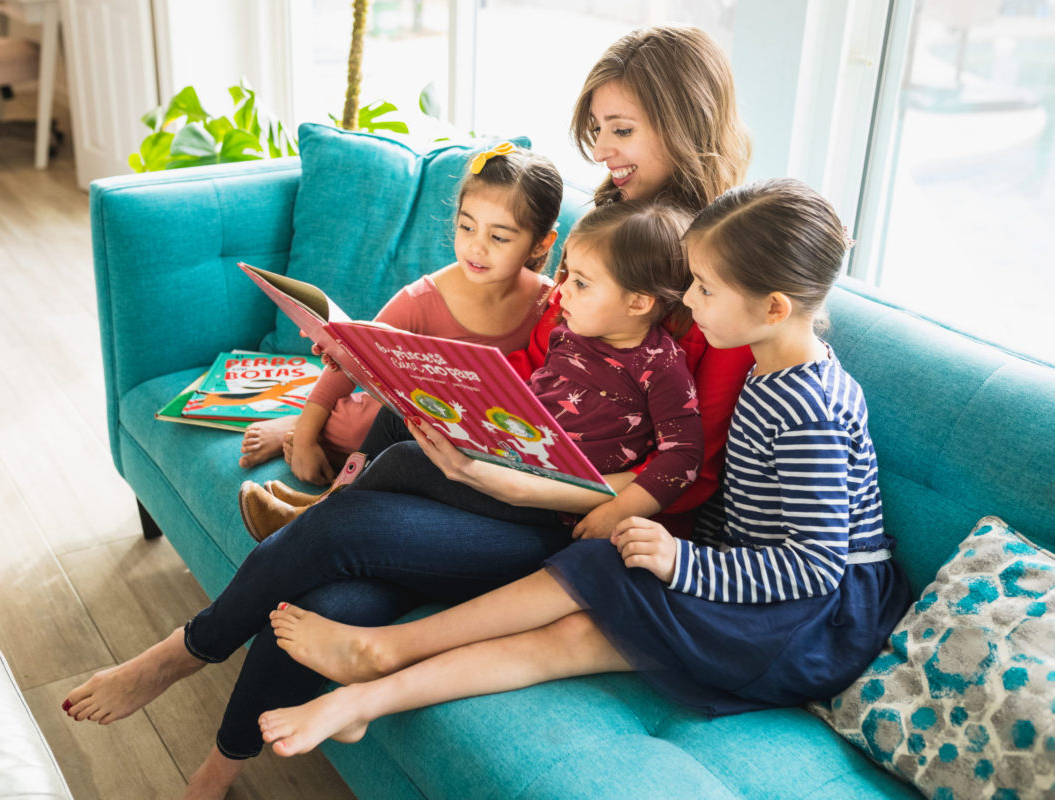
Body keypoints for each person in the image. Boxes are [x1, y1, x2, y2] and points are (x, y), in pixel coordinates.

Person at [62, 25, 756, 800]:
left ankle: (184, 651)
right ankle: (218, 769)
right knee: (332, 597)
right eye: (596, 132)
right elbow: (540, 367)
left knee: (349, 529)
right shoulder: (600, 232)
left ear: (686, 121)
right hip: (510, 471)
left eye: (621, 131)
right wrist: (455, 399)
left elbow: (691, 474)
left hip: (582, 525)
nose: (603, 152)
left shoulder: (722, 275)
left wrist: (532, 486)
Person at [254, 178, 914, 757]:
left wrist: (683, 564)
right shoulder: (776, 370)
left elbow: (813, 567)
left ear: (773, 308)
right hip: (761, 579)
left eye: (706, 290)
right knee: (581, 608)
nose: (689, 301)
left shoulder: (809, 409)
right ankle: (368, 684)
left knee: (585, 603)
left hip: (807, 623)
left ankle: (379, 664)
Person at [240, 201, 704, 541]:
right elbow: (535, 397)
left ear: (640, 303)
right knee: (398, 419)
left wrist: (621, 509)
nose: (560, 294)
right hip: (511, 451)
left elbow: (684, 455)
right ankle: (325, 505)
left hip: (546, 498)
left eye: (579, 283)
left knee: (407, 458)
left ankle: (312, 521)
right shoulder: (571, 331)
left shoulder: (660, 366)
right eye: (565, 277)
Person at [238, 142, 561, 482]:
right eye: (467, 227)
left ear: (540, 244)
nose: (476, 247)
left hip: (470, 435)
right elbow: (348, 364)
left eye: (498, 237)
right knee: (357, 429)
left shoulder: (549, 303)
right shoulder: (423, 298)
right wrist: (304, 440)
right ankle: (304, 425)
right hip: (394, 418)